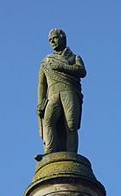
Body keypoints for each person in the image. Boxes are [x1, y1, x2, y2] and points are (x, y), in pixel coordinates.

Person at [36, 28, 86, 156]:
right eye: (50, 40)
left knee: (71, 124)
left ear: (63, 38)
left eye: (55, 38)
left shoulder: (74, 57)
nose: (52, 42)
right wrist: (40, 102)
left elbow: (81, 71)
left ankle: (71, 154)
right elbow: (42, 84)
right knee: (48, 120)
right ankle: (49, 152)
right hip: (52, 95)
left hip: (69, 92)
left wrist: (62, 67)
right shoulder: (46, 61)